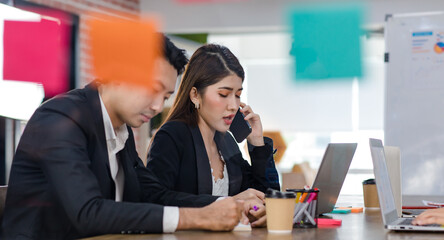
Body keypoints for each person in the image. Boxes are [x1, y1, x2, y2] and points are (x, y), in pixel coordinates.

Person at [1, 36, 248, 239]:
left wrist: (227, 204)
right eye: (151, 90)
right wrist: (195, 217)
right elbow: (87, 212)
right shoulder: (59, 119)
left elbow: (153, 194)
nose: (156, 106)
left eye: (165, 96)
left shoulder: (121, 130)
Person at [145, 44, 280, 227]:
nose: (233, 105)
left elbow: (265, 195)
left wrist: (257, 143)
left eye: (238, 95)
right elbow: (155, 198)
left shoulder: (227, 143)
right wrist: (227, 203)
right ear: (195, 95)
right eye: (224, 94)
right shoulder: (172, 135)